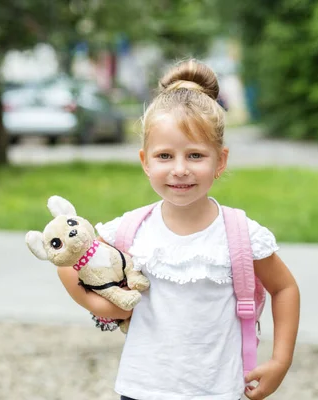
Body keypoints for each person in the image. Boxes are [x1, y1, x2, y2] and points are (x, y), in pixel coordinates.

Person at [57, 59, 300, 400]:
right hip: (141, 390)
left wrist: (281, 360)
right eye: (165, 156)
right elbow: (69, 260)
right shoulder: (131, 229)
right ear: (145, 161)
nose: (180, 169)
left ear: (221, 160)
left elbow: (285, 288)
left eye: (196, 155)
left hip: (218, 392)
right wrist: (96, 305)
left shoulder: (240, 235)